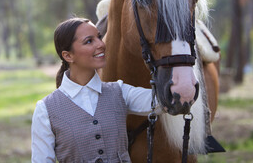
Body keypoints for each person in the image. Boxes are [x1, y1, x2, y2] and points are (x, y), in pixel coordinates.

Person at [31, 17, 162, 163]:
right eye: (89, 41)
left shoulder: (120, 92)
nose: (101, 44)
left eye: (99, 37)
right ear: (68, 55)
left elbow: (166, 101)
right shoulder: (46, 110)